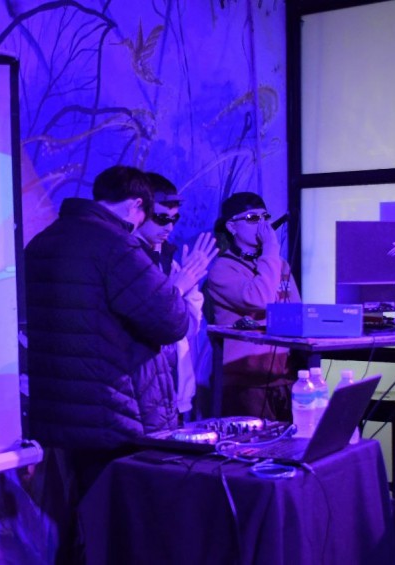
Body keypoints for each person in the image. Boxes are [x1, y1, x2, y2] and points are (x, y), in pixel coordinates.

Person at [25, 165, 216, 564]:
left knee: (75, 520)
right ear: (136, 205)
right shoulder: (118, 246)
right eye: (151, 214)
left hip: (60, 410)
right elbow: (172, 322)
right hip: (115, 412)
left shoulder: (43, 242)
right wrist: (180, 287)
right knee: (122, 527)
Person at [204, 192, 301, 421]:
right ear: (232, 226)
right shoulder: (223, 269)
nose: (262, 225)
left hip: (283, 378)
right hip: (245, 383)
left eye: (265, 217)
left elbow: (296, 311)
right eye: (252, 218)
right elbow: (260, 299)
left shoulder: (278, 265)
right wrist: (271, 249)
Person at [135, 173, 205, 422]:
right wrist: (177, 289)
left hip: (174, 388)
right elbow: (147, 322)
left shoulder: (170, 262)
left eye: (174, 219)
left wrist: (190, 286)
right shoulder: (127, 260)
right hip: (141, 391)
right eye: (161, 218)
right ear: (139, 211)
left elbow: (189, 329)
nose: (169, 227)